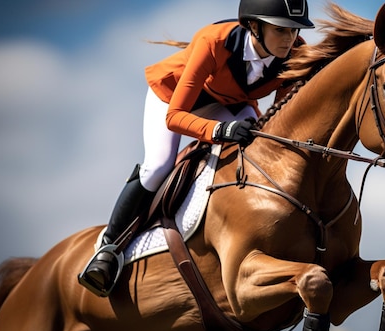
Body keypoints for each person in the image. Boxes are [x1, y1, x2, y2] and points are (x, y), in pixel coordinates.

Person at [78, 0, 315, 297]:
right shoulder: (213, 42)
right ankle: (108, 248)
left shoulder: (295, 54)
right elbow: (175, 117)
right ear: (254, 26)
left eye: (294, 31)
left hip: (231, 104)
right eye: (281, 30)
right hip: (171, 98)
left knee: (263, 146)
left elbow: (283, 115)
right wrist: (220, 130)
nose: (289, 39)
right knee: (159, 165)